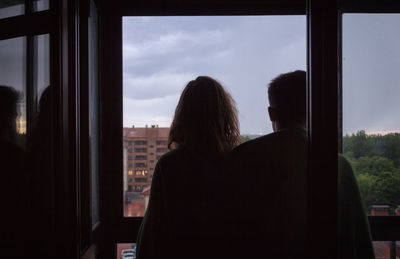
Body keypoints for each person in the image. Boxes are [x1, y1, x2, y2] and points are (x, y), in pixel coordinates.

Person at [229, 70, 375, 258]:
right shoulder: (338, 166)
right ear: (313, 108)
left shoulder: (241, 159)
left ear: (271, 114)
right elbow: (360, 243)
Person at [136, 76, 241, 259]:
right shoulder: (237, 163)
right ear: (225, 116)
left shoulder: (169, 166)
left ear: (183, 117)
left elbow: (151, 237)